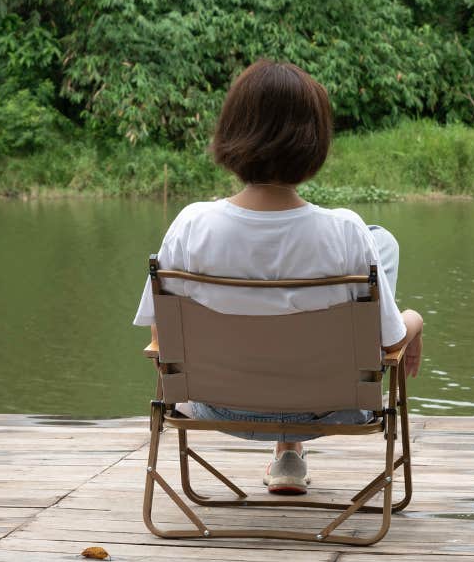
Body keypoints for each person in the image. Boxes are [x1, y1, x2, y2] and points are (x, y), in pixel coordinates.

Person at [132, 59, 424, 495]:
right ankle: (290, 448)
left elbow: (165, 340)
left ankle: (288, 453)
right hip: (332, 410)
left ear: (231, 133)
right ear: (314, 143)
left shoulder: (190, 226)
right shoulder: (347, 232)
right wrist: (415, 322)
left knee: (374, 245)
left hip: (216, 408)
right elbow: (386, 346)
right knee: (380, 244)